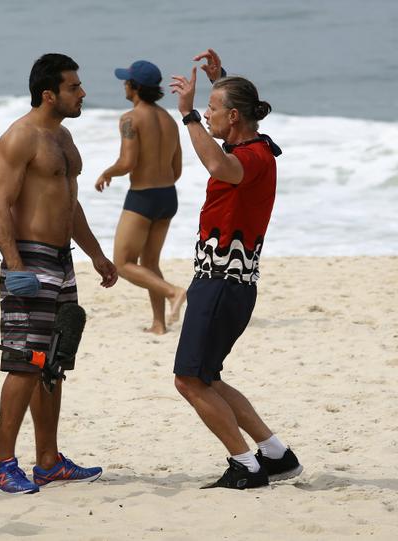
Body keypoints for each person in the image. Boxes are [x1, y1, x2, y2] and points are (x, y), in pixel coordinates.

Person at [168, 49, 302, 489]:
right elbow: (228, 142)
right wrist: (218, 80)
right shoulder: (253, 146)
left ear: (235, 117)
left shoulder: (251, 159)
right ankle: (277, 456)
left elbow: (217, 164)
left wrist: (187, 116)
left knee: (189, 380)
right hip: (227, 281)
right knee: (207, 377)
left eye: (212, 110)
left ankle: (246, 465)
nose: (207, 115)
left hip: (222, 282)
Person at [0, 53, 118, 494]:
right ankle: (2, 465)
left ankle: (48, 460)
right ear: (49, 93)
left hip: (63, 260)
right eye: (74, 87)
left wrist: (96, 254)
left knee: (53, 364)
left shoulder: (63, 137)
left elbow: (69, 202)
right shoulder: (20, 138)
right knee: (25, 363)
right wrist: (15, 266)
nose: (82, 93)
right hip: (29, 259)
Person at [95, 60, 186, 334]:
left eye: (126, 82)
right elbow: (177, 169)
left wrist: (107, 172)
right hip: (168, 196)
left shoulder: (130, 119)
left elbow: (127, 161)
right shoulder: (169, 120)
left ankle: (173, 291)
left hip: (143, 199)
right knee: (150, 264)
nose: (124, 85)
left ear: (134, 87)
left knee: (123, 264)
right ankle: (159, 324)